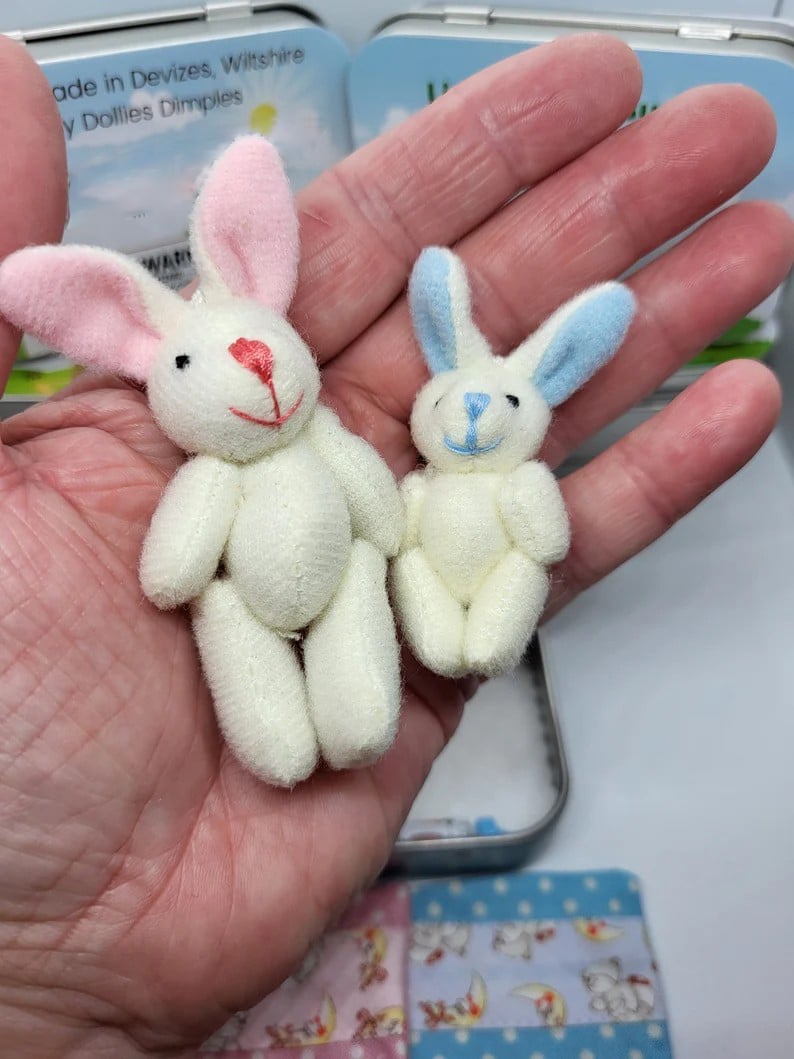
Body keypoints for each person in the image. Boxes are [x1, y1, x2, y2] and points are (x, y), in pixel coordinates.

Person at [0, 29, 790, 1058]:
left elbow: (380, 508)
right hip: (245, 604)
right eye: (195, 364)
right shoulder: (211, 472)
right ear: (153, 364)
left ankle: (359, 699)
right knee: (237, 623)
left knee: (363, 619)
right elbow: (176, 565)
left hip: (347, 586)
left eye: (259, 348)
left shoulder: (324, 435)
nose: (255, 374)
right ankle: (284, 730)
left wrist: (390, 529)